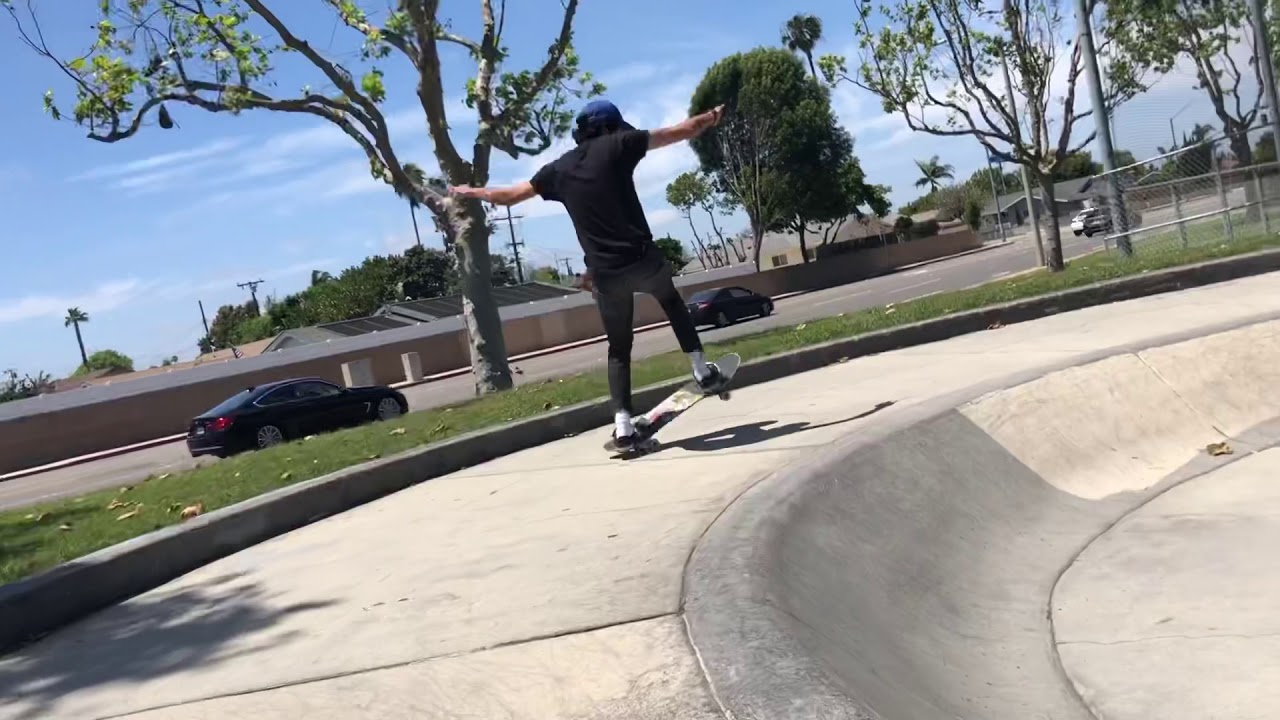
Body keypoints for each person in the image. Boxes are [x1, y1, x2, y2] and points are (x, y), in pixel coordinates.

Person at [449, 99, 729, 448]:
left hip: (606, 276)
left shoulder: (557, 170)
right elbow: (681, 131)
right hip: (643, 260)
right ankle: (702, 371)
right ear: (611, 126)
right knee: (671, 301)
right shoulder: (620, 144)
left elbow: (510, 196)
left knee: (618, 347)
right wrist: (711, 116)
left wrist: (472, 192)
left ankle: (623, 425)